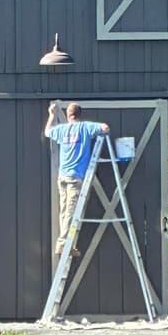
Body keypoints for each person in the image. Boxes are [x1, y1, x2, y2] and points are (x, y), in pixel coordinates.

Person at [44, 102, 109, 256]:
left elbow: (47, 132)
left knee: (64, 211)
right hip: (75, 177)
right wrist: (102, 131)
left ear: (67, 115)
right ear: (80, 114)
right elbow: (105, 127)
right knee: (71, 213)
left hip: (63, 176)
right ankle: (63, 245)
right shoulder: (85, 127)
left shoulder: (62, 130)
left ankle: (67, 244)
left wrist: (52, 115)